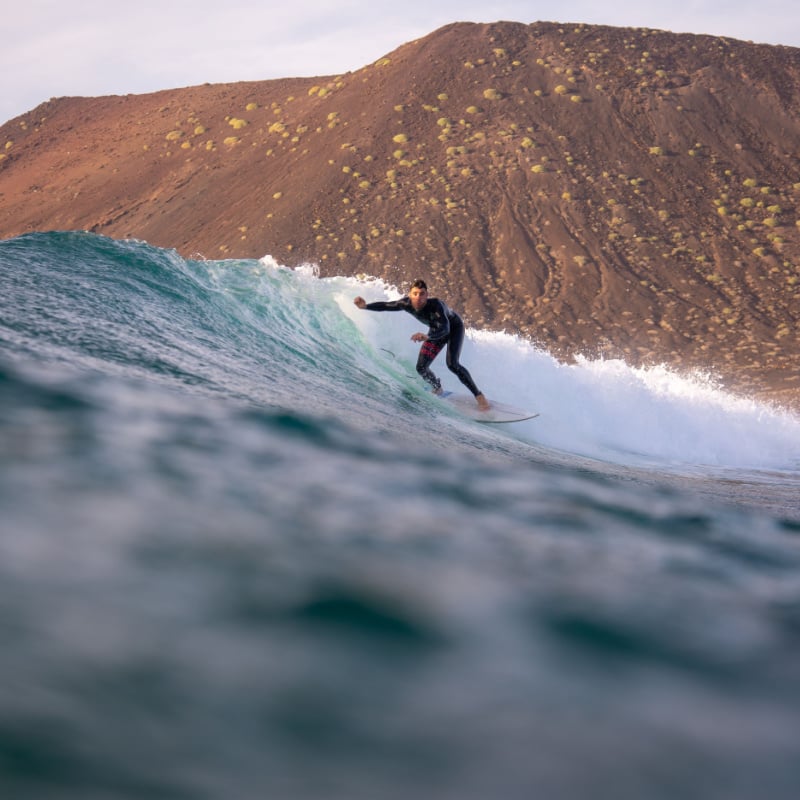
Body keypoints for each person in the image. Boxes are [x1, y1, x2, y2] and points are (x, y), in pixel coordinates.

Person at [354, 279, 491, 411]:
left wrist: (428, 336)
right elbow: (386, 306)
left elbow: (445, 329)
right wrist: (365, 306)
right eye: (415, 294)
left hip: (453, 328)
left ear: (427, 295)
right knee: (421, 368)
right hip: (434, 331)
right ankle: (437, 387)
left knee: (452, 364)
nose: (418, 297)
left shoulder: (437, 305)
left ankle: (479, 396)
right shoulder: (405, 304)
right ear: (409, 295)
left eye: (422, 294)